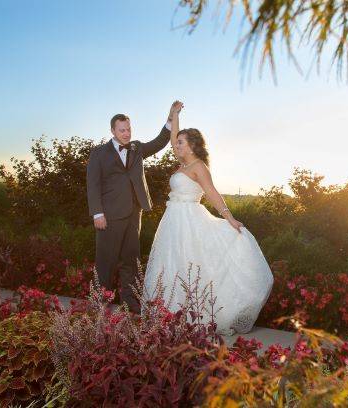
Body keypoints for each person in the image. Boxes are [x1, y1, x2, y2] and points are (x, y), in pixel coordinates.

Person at [143, 102, 273, 335]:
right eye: (178, 142)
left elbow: (212, 192)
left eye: (181, 143)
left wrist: (229, 218)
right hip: (173, 220)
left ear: (192, 145)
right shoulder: (183, 163)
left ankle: (197, 315)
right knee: (172, 263)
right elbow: (173, 138)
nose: (176, 145)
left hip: (190, 220)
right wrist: (173, 115)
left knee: (192, 263)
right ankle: (171, 314)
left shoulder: (198, 166)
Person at [86, 102, 183, 313]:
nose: (126, 133)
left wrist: (170, 118)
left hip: (134, 213)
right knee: (106, 261)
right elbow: (92, 185)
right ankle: (98, 304)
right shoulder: (99, 154)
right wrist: (97, 213)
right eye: (122, 130)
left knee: (131, 259)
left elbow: (159, 142)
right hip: (109, 215)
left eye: (129, 129)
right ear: (112, 131)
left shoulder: (137, 148)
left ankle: (130, 302)